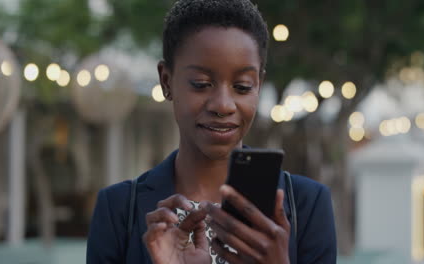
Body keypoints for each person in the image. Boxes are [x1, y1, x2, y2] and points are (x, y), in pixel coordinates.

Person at [86, 0, 337, 263]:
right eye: (201, 84)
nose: (223, 105)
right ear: (166, 81)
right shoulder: (118, 208)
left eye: (242, 87)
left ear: (258, 86)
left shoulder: (306, 205)